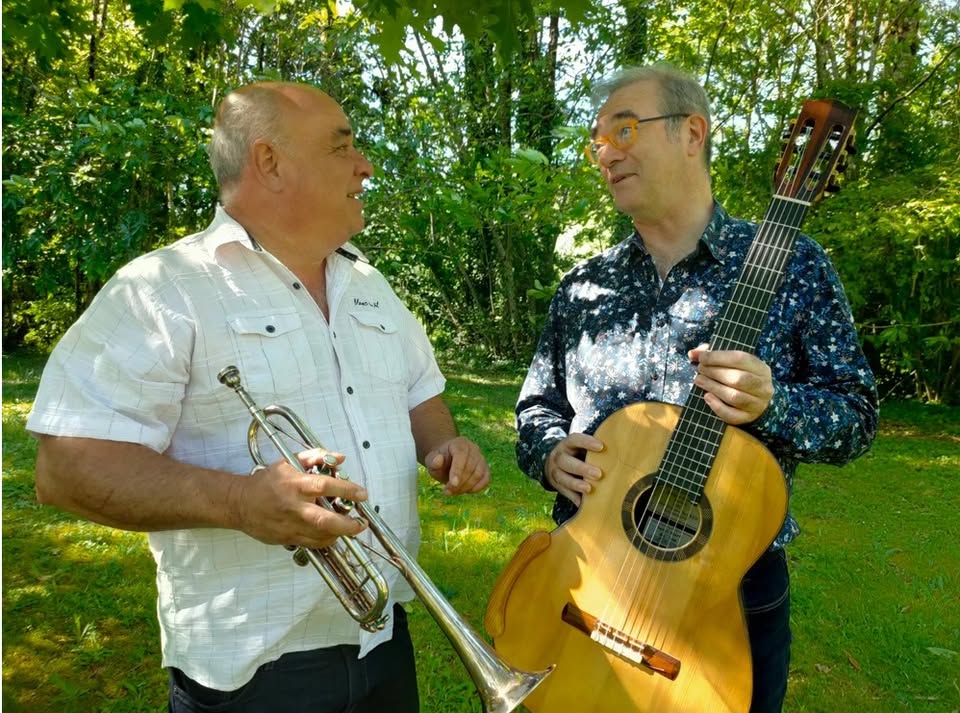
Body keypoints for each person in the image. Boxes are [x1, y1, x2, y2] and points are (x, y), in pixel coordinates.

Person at [27, 81, 491, 713]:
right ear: (270, 162)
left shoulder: (370, 284)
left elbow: (419, 391)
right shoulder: (164, 289)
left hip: (384, 638)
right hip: (252, 669)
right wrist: (242, 501)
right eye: (342, 147)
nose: (366, 165)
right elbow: (65, 467)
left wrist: (444, 442)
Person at [514, 64, 878, 712]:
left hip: (725, 593)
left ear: (692, 133)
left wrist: (777, 403)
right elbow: (538, 405)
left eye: (625, 128)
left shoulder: (791, 263)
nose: (607, 152)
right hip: (583, 585)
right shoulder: (583, 287)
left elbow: (856, 415)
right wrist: (548, 452)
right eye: (597, 138)